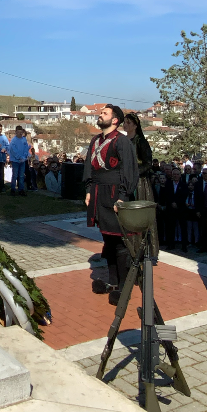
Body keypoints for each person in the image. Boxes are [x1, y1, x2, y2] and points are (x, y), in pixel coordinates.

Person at [83, 104, 139, 302]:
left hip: (115, 194)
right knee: (108, 240)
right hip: (98, 194)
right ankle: (113, 282)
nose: (100, 115)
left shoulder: (122, 141)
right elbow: (89, 167)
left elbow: (130, 170)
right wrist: (89, 190)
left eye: (104, 113)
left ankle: (124, 287)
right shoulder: (95, 140)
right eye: (100, 113)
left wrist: (123, 196)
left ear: (115, 120)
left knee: (120, 242)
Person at [123, 113, 153, 201]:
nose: (125, 125)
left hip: (139, 181)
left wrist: (135, 172)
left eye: (128, 123)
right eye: (124, 123)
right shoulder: (122, 141)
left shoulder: (141, 141)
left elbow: (148, 163)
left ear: (135, 125)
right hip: (124, 180)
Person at [163, 167, 189, 251]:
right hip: (171, 209)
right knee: (170, 227)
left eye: (177, 174)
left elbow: (184, 196)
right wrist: (172, 202)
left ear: (180, 175)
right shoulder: (168, 184)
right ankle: (171, 244)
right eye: (174, 174)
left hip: (181, 209)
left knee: (183, 228)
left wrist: (177, 203)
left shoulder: (184, 185)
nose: (176, 176)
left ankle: (184, 246)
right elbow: (166, 195)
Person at [194, 167, 207, 252]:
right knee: (202, 229)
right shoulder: (198, 184)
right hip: (202, 209)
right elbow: (196, 198)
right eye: (204, 173)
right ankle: (203, 246)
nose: (205, 175)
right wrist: (197, 210)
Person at [9, 126, 31, 196]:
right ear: (16, 132)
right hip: (15, 161)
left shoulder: (24, 139)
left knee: (21, 175)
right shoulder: (13, 141)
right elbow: (13, 151)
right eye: (18, 132)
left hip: (23, 161)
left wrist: (24, 156)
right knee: (15, 175)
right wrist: (19, 157)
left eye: (21, 132)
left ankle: (21, 189)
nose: (20, 134)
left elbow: (25, 148)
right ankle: (13, 189)